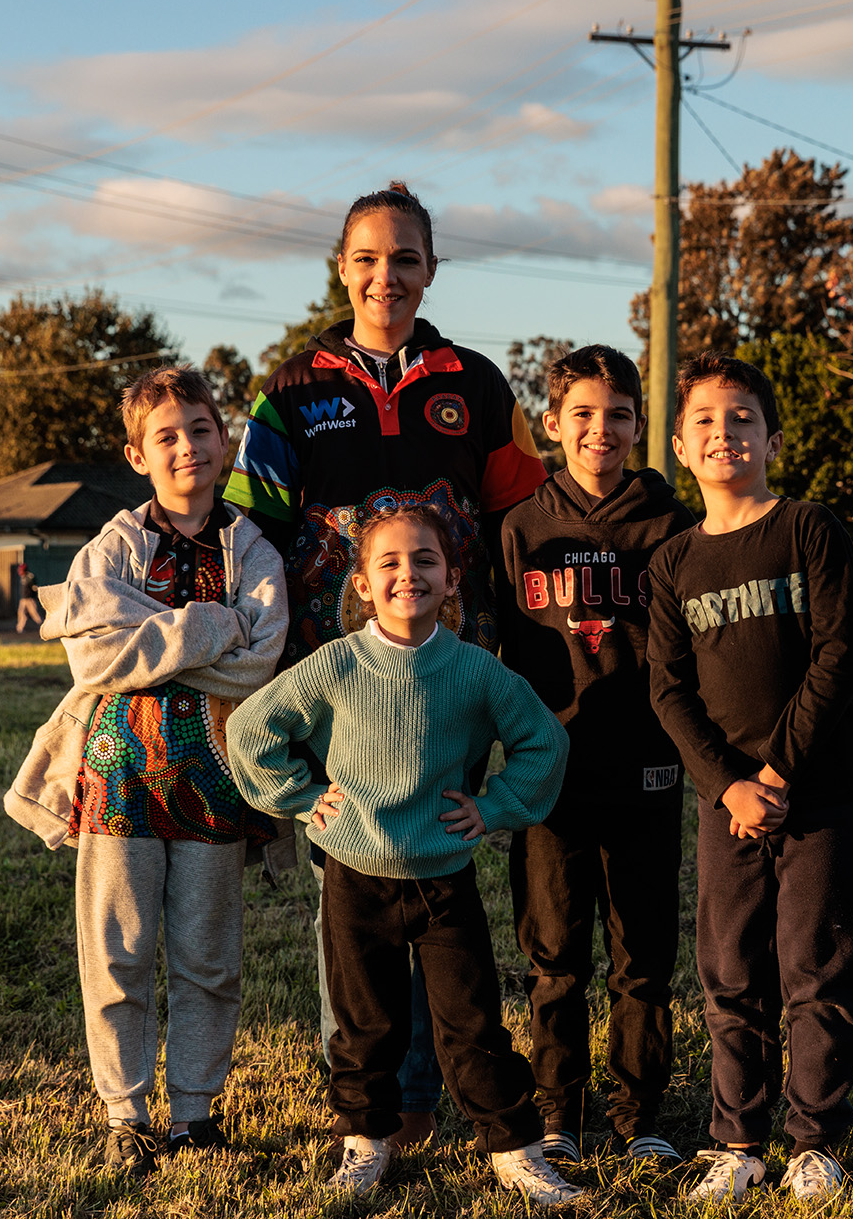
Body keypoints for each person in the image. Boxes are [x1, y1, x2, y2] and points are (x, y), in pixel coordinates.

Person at [222, 181, 548, 1144]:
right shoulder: (290, 392)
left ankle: (429, 1085)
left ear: (431, 271)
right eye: (367, 258)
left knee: (435, 867)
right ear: (341, 268)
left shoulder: (478, 384)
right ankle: (373, 1106)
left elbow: (524, 524)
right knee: (353, 888)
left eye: (405, 258)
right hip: (335, 680)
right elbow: (253, 530)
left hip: (448, 678)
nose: (385, 276)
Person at [227, 506, 584, 1206]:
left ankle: (513, 1145)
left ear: (452, 579)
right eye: (388, 562)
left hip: (444, 876)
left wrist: (495, 806)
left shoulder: (476, 671)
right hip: (354, 874)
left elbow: (545, 741)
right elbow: (250, 729)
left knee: (472, 1020)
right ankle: (365, 1138)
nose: (407, 574)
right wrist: (300, 797)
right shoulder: (335, 664)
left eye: (425, 560)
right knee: (365, 1021)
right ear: (361, 583)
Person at [2, 366, 289, 1180]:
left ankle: (194, 1113)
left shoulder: (252, 548)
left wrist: (157, 642)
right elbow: (91, 653)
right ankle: (126, 1114)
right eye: (165, 435)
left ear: (224, 441)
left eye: (200, 429)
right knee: (117, 953)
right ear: (137, 454)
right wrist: (210, 624)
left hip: (216, 780)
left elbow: (258, 661)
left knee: (208, 956)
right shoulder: (112, 546)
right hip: (118, 776)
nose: (186, 446)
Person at [647, 353, 853, 1202]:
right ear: (679, 444)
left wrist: (776, 772)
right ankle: (735, 1139)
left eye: (741, 418)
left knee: (819, 963)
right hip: (727, 804)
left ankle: (815, 1139)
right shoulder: (673, 563)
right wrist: (728, 785)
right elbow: (667, 690)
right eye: (705, 420)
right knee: (732, 969)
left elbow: (838, 658)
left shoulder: (809, 529)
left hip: (819, 792)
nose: (723, 433)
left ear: (772, 438)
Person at [496, 345, 694, 1165]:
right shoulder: (522, 527)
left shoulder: (674, 524)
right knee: (555, 959)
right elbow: (500, 656)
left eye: (617, 415)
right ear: (552, 424)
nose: (600, 430)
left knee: (642, 955)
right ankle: (557, 1114)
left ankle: (640, 1113)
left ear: (639, 425)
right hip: (549, 774)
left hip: (647, 764)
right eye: (582, 414)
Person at [14, 562, 44, 633]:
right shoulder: (22, 577)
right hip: (23, 599)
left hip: (30, 599)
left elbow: (34, 588)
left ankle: (43, 626)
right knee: (21, 614)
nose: (19, 571)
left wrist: (34, 595)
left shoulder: (30, 577)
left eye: (21, 570)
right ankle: (19, 629)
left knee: (35, 614)